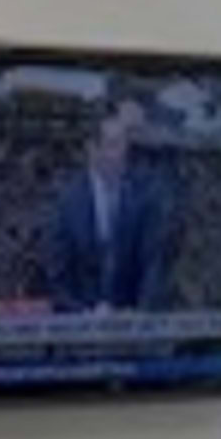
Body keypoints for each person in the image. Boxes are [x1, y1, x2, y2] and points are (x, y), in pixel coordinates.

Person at [45, 98, 169, 313]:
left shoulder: (143, 196)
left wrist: (139, 313)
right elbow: (56, 277)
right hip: (80, 321)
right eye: (113, 146)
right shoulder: (67, 202)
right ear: (92, 150)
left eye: (123, 146)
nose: (121, 155)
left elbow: (153, 265)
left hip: (132, 321)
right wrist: (85, 312)